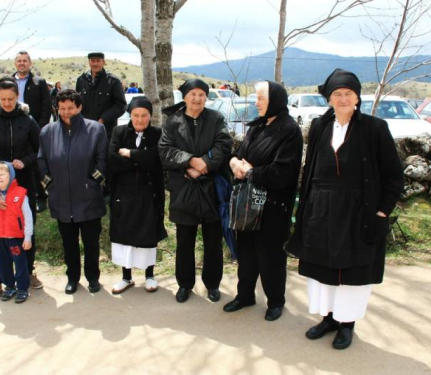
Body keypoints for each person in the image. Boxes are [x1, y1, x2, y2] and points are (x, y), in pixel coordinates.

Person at [287, 69, 404, 349]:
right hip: (320, 210)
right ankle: (328, 318)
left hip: (358, 212)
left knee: (353, 271)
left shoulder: (375, 128)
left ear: (357, 98)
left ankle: (347, 324)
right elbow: (310, 168)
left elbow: (394, 175)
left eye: (348, 94)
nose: (342, 99)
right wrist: (305, 209)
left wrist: (382, 212)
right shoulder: (318, 126)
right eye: (337, 94)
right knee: (322, 268)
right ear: (329, 98)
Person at [223, 81, 303, 321]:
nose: (256, 103)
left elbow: (284, 172)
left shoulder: (289, 129)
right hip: (248, 204)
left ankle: (276, 301)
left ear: (275, 100)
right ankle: (245, 295)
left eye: (260, 98)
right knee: (246, 252)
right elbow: (241, 155)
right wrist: (234, 163)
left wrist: (250, 172)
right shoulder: (258, 126)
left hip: (273, 205)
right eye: (256, 98)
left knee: (270, 256)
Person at [158, 78, 232, 303]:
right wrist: (190, 161)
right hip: (183, 188)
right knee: (185, 241)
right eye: (193, 94)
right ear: (185, 96)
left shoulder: (215, 118)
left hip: (211, 189)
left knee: (212, 241)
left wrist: (204, 166)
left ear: (206, 97)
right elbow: (165, 151)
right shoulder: (173, 121)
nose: (197, 99)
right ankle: (185, 284)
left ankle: (212, 284)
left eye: (201, 94)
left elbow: (224, 145)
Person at [0, 76, 42, 300]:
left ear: (18, 97)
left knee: (25, 229)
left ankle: (28, 272)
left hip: (23, 184)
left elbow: (39, 149)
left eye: (11, 99)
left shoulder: (28, 120)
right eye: (3, 99)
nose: (6, 103)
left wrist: (25, 161)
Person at [38, 89, 107, 295]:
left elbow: (102, 161)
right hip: (61, 197)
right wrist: (50, 185)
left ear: (79, 107)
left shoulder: (95, 130)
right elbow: (41, 161)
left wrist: (92, 183)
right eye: (62, 108)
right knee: (69, 243)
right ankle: (72, 278)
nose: (66, 112)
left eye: (70, 108)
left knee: (91, 242)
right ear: (57, 109)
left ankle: (93, 277)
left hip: (88, 197)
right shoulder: (47, 132)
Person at [108, 96, 167, 293]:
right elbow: (112, 160)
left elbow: (156, 160)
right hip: (123, 193)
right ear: (130, 116)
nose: (140, 120)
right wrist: (140, 158)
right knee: (125, 235)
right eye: (136, 116)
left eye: (144, 115)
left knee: (148, 235)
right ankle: (126, 277)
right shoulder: (118, 131)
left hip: (149, 193)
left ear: (150, 116)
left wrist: (130, 154)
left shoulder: (158, 134)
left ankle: (149, 275)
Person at [0, 162, 33, 303]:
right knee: (2, 266)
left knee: (20, 264)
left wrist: (28, 237)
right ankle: (9, 286)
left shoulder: (21, 193)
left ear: (10, 175)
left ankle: (22, 288)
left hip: (15, 238)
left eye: (2, 175)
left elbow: (28, 217)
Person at [13, 51, 51, 214]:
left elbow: (46, 105)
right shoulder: (8, 82)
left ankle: (41, 197)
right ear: (15, 63)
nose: (22, 63)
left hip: (33, 128)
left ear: (30, 63)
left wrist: (41, 126)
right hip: (13, 129)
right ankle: (19, 197)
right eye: (19, 61)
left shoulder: (39, 82)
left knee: (35, 164)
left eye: (25, 61)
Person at [75, 52, 127, 140]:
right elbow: (77, 104)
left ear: (103, 62)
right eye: (93, 61)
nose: (95, 64)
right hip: (85, 129)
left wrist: (103, 119)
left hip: (106, 131)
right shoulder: (81, 80)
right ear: (89, 62)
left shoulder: (112, 81)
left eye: (98, 61)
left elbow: (121, 105)